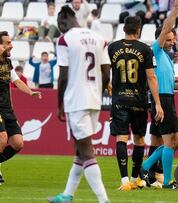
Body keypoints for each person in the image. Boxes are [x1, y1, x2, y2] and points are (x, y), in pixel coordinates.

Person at [48, 6, 110, 203]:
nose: (60, 28)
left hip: (76, 100)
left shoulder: (65, 39)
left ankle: (104, 200)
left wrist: (59, 105)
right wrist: (98, 94)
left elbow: (63, 76)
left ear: (65, 19)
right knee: (79, 149)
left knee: (86, 150)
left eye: (60, 24)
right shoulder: (99, 38)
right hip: (94, 99)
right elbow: (107, 73)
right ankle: (67, 194)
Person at [108, 16, 164, 191]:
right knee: (139, 140)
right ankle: (135, 179)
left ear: (124, 29)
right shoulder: (145, 50)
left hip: (119, 100)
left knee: (121, 138)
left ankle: (124, 181)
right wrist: (158, 103)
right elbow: (151, 77)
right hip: (139, 101)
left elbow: (107, 71)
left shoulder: (112, 47)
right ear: (138, 29)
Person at [140, 0, 178, 189]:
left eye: (173, 39)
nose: (172, 41)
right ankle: (166, 181)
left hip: (168, 98)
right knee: (170, 141)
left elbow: (166, 81)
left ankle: (146, 165)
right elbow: (167, 26)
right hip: (161, 100)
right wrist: (175, 9)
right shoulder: (155, 50)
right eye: (168, 39)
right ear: (160, 39)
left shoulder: (165, 56)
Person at [0, 31, 41, 184]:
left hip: (6, 108)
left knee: (18, 143)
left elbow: (16, 82)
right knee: (2, 139)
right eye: (8, 43)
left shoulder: (8, 63)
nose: (11, 45)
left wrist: (31, 92)